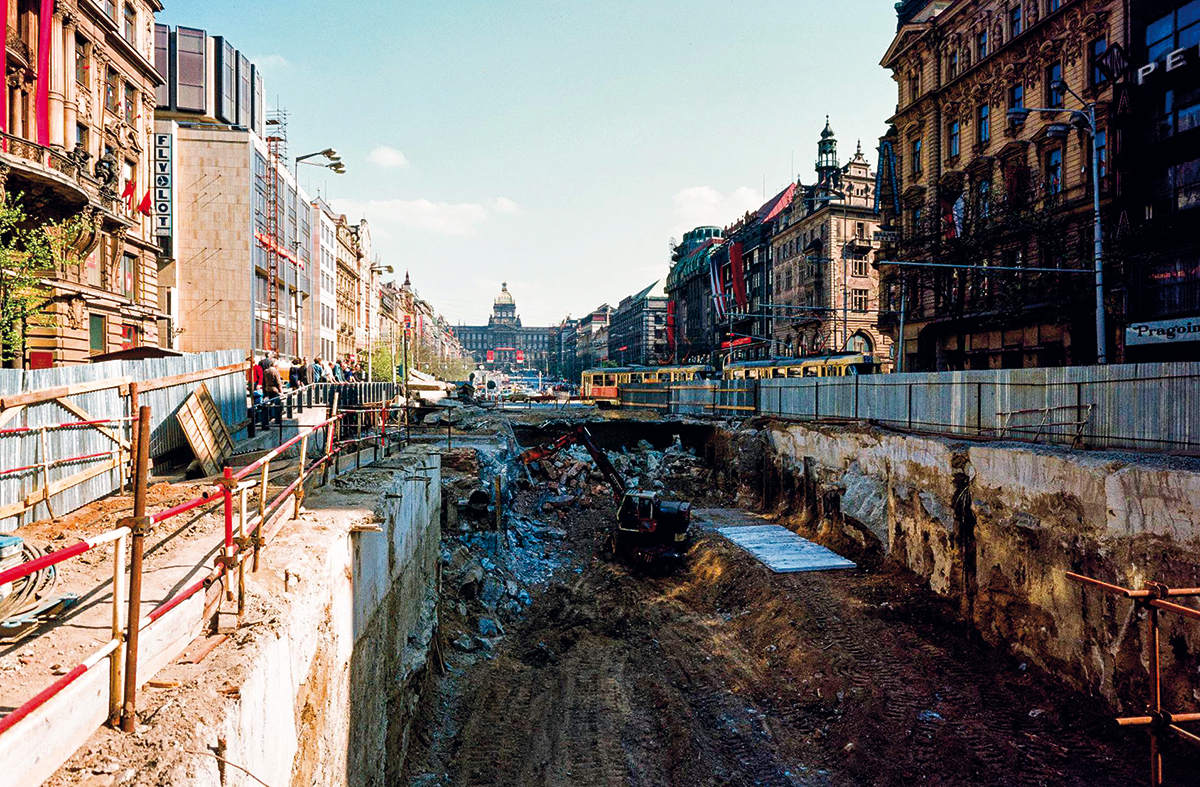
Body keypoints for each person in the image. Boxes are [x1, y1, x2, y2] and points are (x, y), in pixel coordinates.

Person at [261, 357, 283, 428]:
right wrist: (281, 392)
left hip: (267, 389)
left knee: (266, 406)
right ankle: (278, 421)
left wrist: (264, 391)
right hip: (275, 390)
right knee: (277, 405)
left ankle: (265, 423)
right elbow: (278, 383)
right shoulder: (275, 372)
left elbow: (263, 382)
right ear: (275, 366)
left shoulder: (265, 371)